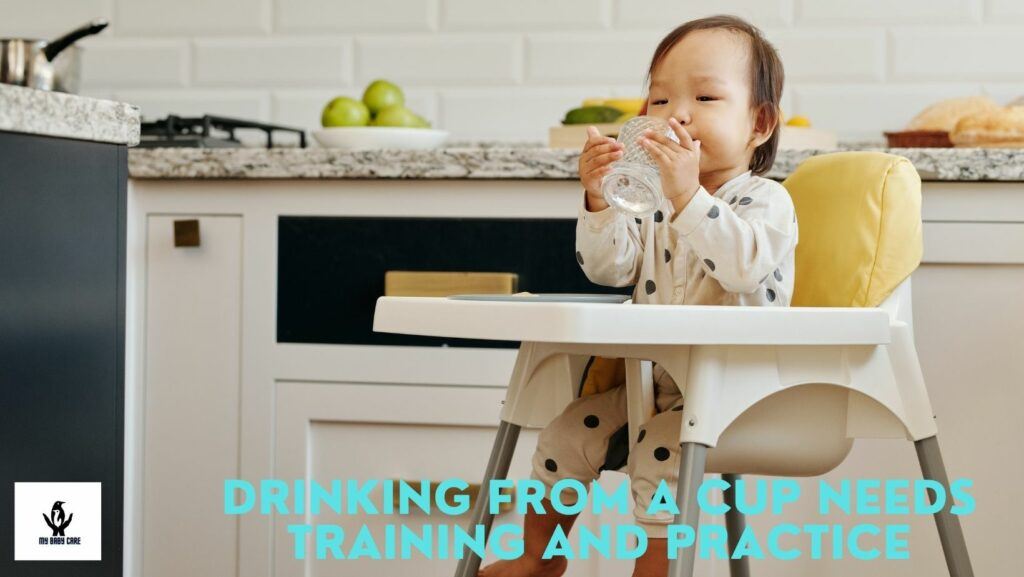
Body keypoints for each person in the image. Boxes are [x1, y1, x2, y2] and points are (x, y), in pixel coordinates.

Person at [479, 14, 796, 577]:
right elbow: (609, 269)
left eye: (704, 96)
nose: (676, 114)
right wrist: (600, 200)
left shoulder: (766, 202)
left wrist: (689, 196)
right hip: (656, 387)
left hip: (738, 393)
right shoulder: (653, 204)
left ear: (760, 123)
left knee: (660, 454)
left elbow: (744, 268)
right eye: (658, 99)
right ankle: (538, 558)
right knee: (565, 433)